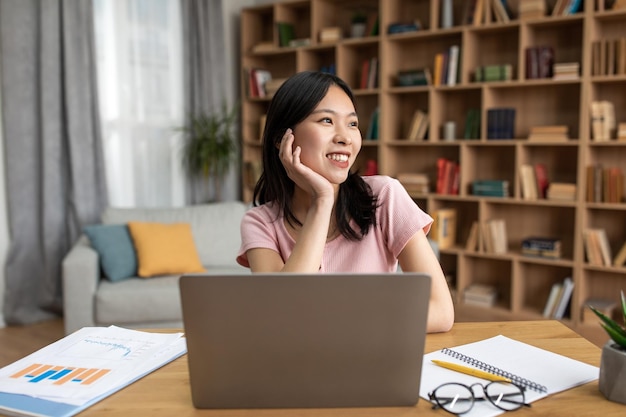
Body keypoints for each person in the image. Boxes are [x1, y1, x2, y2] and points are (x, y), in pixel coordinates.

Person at [236, 71, 454, 333]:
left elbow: (441, 311)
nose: (345, 138)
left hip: (373, 360)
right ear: (282, 139)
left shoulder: (385, 196)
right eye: (327, 120)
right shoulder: (260, 223)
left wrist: (338, 322)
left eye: (352, 124)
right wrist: (322, 200)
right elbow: (283, 315)